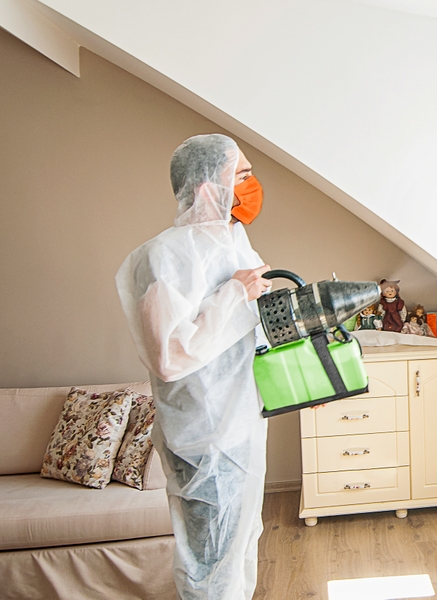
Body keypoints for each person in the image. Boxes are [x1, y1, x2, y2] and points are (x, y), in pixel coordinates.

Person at [116, 133, 271, 600]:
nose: (252, 183)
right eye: (241, 174)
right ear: (207, 187)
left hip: (244, 424)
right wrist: (233, 294)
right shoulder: (163, 256)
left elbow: (251, 329)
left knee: (242, 544)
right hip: (203, 438)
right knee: (208, 564)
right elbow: (167, 356)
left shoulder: (236, 242)